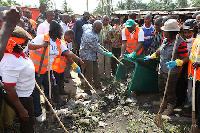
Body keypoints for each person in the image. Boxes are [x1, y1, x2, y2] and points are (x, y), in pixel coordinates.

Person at [30, 20, 85, 122]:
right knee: (36, 92)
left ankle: (48, 109)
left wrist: (79, 60)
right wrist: (41, 45)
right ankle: (37, 114)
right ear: (56, 30)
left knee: (49, 90)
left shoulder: (58, 42)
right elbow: (29, 45)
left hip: (48, 70)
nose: (62, 33)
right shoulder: (42, 37)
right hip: (36, 70)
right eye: (60, 31)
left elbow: (68, 53)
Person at [144, 19, 189, 115]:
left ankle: (170, 106)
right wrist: (153, 55)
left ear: (172, 32)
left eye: (166, 31)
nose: (164, 32)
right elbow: (161, 49)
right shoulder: (165, 39)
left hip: (172, 71)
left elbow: (186, 58)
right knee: (161, 86)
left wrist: (177, 62)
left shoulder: (180, 43)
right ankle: (162, 102)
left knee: (170, 89)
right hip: (162, 67)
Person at [0, 26, 40, 133]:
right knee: (27, 124)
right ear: (14, 44)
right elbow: (9, 88)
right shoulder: (10, 62)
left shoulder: (17, 52)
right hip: (21, 98)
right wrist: (22, 109)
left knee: (27, 123)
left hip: (24, 94)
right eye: (24, 43)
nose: (26, 45)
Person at [79, 20, 113, 95]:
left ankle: (97, 85)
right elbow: (96, 48)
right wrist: (105, 53)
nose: (99, 31)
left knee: (96, 71)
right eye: (98, 29)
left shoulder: (88, 27)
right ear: (94, 27)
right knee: (89, 72)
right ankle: (87, 89)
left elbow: (84, 26)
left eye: (101, 29)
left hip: (92, 54)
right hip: (86, 54)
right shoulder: (90, 35)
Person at [182, 19, 196, 108]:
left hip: (195, 67)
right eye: (185, 33)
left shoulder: (196, 41)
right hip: (188, 67)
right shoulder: (184, 42)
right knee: (189, 85)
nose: (187, 35)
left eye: (189, 32)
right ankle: (190, 100)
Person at [98, 15, 115, 79]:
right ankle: (101, 76)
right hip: (100, 49)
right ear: (102, 20)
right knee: (100, 62)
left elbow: (115, 38)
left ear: (109, 20)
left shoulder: (111, 28)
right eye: (104, 20)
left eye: (106, 20)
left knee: (108, 62)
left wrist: (109, 41)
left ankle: (108, 75)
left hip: (108, 49)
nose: (105, 21)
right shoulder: (99, 27)